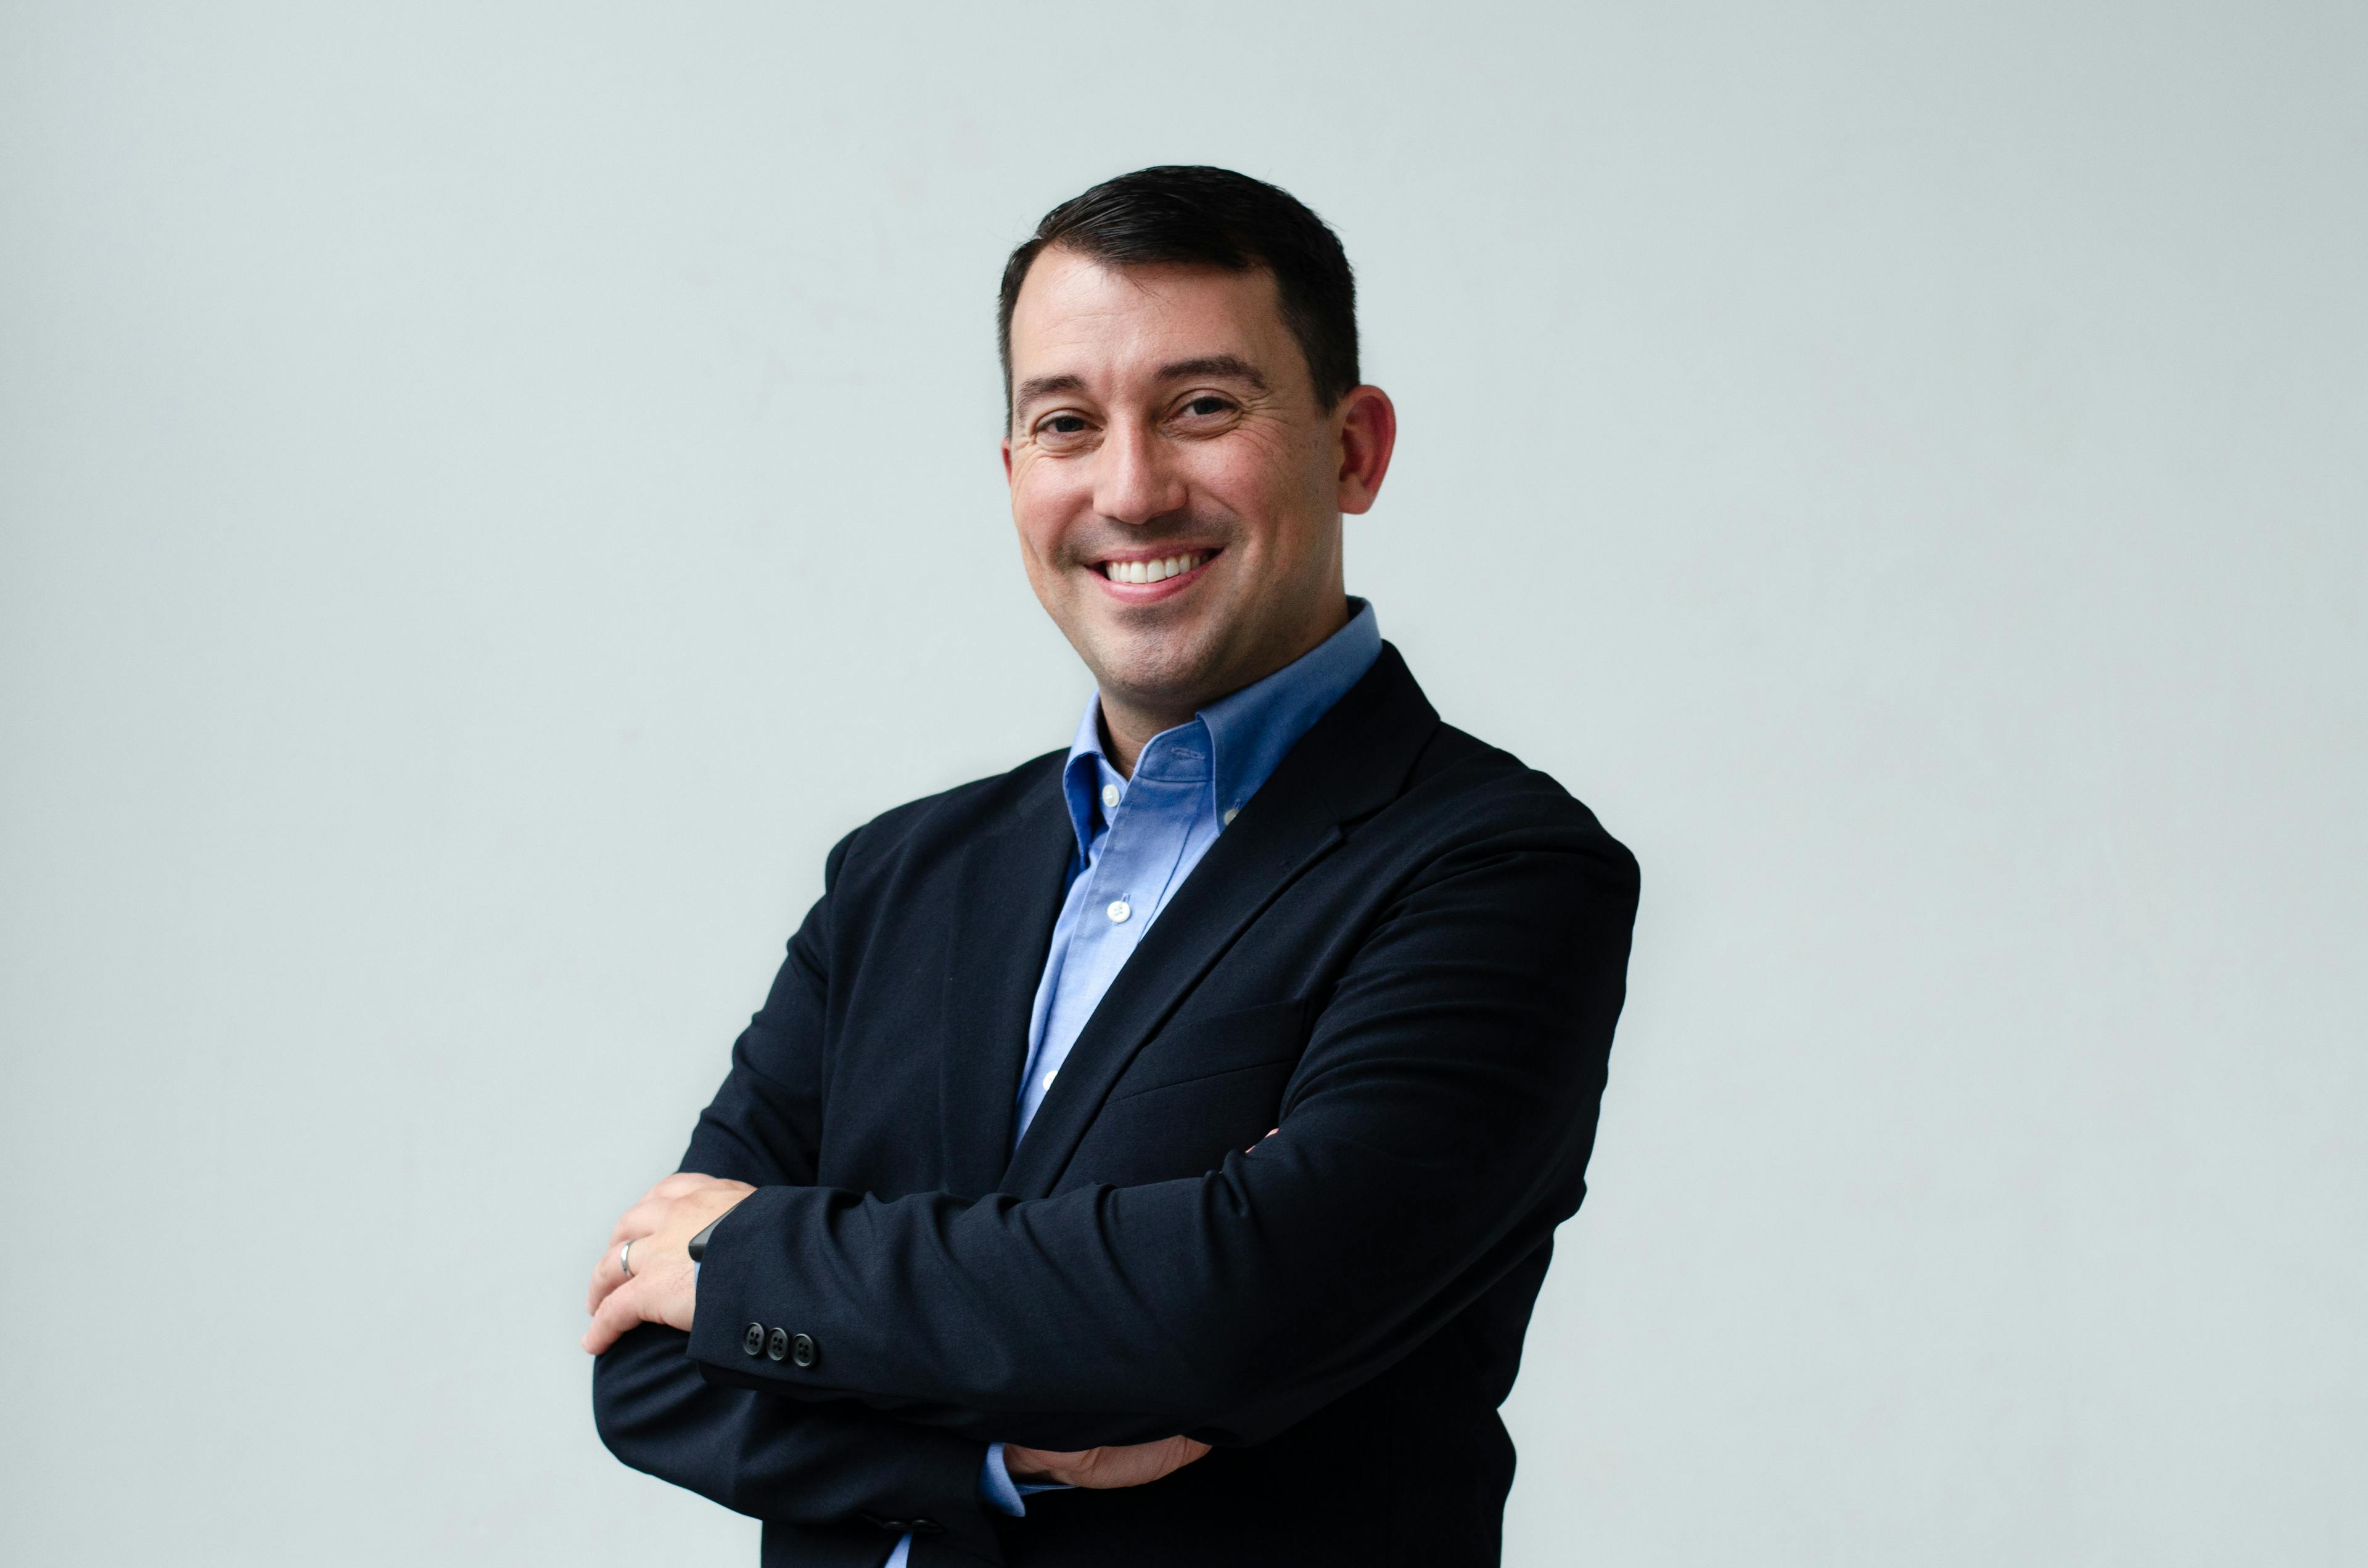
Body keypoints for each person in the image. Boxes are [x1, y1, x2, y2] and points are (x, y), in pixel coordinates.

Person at [582, 165, 1638, 1567]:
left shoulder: (1499, 871)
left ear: (1354, 450)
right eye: (1067, 423)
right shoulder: (898, 878)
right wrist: (1006, 1450)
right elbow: (645, 1365)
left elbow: (1221, 1315)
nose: (1130, 490)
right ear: (1016, 473)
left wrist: (754, 1261)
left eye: (1202, 408)